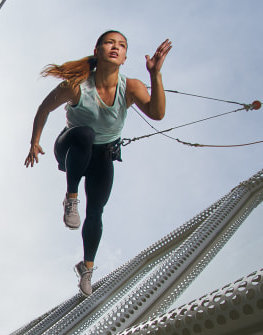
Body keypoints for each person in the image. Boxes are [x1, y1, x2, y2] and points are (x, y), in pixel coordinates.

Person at [24, 31, 171, 296]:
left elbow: (157, 113)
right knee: (86, 133)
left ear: (125, 58)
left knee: (96, 213)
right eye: (110, 42)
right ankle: (70, 197)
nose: (116, 47)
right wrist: (35, 142)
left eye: (122, 45)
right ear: (98, 49)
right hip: (71, 147)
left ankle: (87, 268)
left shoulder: (132, 86)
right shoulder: (77, 84)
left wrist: (155, 75)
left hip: (102, 156)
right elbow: (44, 108)